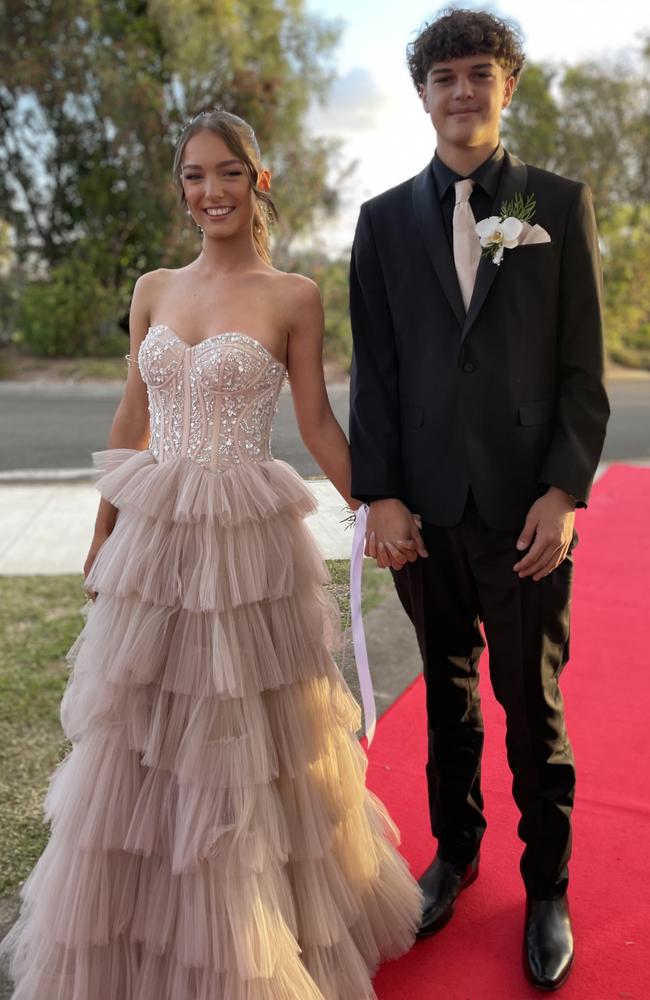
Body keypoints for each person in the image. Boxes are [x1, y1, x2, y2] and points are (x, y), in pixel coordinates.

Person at [1, 108, 422, 1000]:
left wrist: (376, 507)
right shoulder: (154, 287)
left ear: (257, 180)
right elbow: (130, 417)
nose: (210, 192)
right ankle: (145, 928)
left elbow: (314, 424)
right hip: (155, 532)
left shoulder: (292, 296)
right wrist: (103, 527)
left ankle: (246, 931)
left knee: (241, 731)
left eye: (227, 172)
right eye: (194, 176)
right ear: (182, 189)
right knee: (142, 734)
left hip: (243, 538)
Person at [349, 8, 609, 991]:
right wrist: (377, 495)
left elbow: (583, 370)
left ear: (506, 87)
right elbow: (373, 374)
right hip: (422, 513)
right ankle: (453, 854)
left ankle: (547, 886)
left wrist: (563, 489)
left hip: (524, 518)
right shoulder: (379, 223)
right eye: (444, 75)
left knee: (527, 703)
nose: (461, 91)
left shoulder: (555, 202)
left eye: (478, 74)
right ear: (422, 93)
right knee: (446, 700)